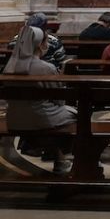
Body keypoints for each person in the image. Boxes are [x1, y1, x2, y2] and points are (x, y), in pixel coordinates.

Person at [3, 26, 76, 174]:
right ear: (40, 44)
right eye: (46, 41)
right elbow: (59, 99)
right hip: (42, 119)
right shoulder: (46, 68)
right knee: (76, 117)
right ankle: (66, 160)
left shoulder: (9, 67)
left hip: (13, 118)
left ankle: (56, 157)